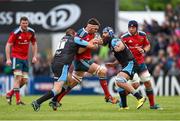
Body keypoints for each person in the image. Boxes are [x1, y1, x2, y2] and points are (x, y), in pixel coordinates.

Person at [49, 18, 118, 111]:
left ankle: (55, 100)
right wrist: (90, 44)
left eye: (97, 29)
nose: (96, 31)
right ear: (89, 26)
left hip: (85, 60)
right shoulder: (81, 33)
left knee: (73, 83)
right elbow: (78, 50)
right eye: (95, 29)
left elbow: (98, 43)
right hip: (81, 60)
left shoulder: (93, 34)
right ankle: (108, 96)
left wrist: (102, 40)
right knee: (102, 71)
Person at [31, 28, 98, 111]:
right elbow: (90, 45)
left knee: (69, 82)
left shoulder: (63, 39)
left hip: (55, 63)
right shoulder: (74, 38)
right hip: (63, 65)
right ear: (73, 34)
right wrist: (95, 40)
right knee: (57, 89)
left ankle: (55, 101)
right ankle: (37, 102)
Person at [102, 26, 146, 109]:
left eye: (105, 33)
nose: (103, 35)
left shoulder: (114, 40)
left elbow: (121, 46)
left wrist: (118, 48)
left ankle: (140, 97)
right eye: (103, 33)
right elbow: (121, 58)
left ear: (110, 33)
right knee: (120, 84)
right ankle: (124, 106)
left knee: (119, 81)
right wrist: (113, 64)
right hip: (128, 64)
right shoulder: (110, 43)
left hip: (131, 63)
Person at [120, 20, 161, 109]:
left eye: (133, 27)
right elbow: (120, 51)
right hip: (130, 65)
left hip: (141, 63)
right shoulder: (124, 37)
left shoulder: (142, 35)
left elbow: (147, 45)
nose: (131, 29)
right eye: (129, 27)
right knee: (135, 85)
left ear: (136, 27)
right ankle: (122, 102)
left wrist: (144, 50)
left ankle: (152, 105)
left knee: (148, 83)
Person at [5, 16, 38, 105]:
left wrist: (34, 56)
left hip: (25, 58)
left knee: (24, 81)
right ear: (20, 23)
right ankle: (18, 101)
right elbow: (8, 45)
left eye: (26, 23)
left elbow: (34, 43)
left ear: (28, 23)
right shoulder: (15, 33)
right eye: (23, 23)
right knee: (18, 78)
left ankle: (9, 94)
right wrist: (8, 59)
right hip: (16, 57)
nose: (25, 25)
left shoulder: (31, 32)